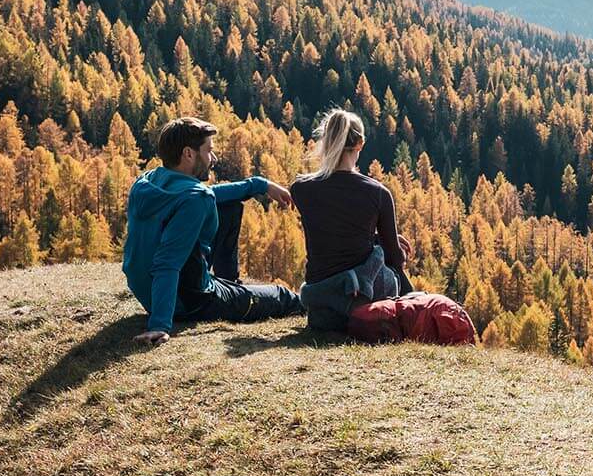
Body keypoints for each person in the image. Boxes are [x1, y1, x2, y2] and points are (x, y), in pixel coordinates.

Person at [121, 117, 303, 345]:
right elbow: (167, 262)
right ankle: (312, 305)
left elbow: (206, 195)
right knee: (282, 296)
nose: (213, 159)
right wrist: (159, 325)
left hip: (146, 289)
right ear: (189, 154)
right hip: (190, 300)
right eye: (209, 151)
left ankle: (230, 284)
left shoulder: (146, 182)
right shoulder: (195, 199)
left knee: (229, 205)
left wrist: (259, 185)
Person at [290, 109, 414, 333]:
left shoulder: (301, 189)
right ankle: (411, 313)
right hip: (363, 304)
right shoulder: (378, 193)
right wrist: (390, 246)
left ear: (326, 141)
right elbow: (395, 258)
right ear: (360, 143)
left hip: (321, 309)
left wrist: (374, 238)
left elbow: (331, 229)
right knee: (389, 268)